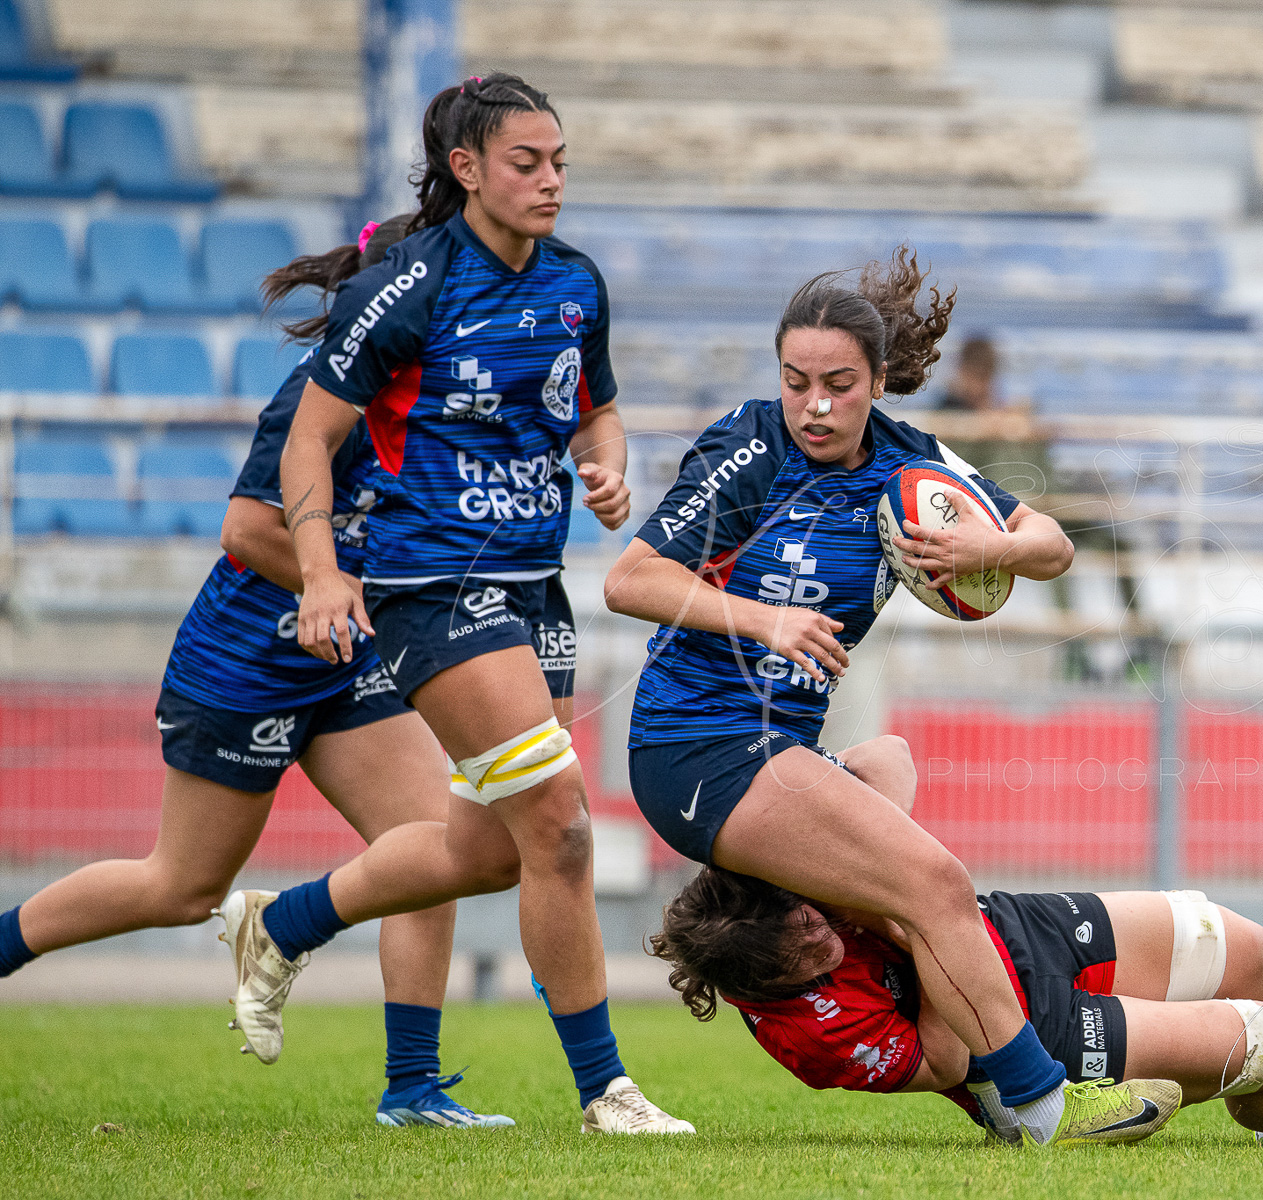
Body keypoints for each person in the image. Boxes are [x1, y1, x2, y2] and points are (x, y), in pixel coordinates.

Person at [603, 248, 1182, 1148]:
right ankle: (1041, 1102)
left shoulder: (913, 462)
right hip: (696, 746)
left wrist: (991, 553)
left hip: (773, 750)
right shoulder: (748, 446)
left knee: (889, 770)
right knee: (935, 883)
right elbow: (631, 580)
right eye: (796, 382)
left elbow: (1053, 544)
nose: (815, 406)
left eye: (838, 383)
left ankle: (968, 1061)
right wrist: (766, 622)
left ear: (878, 381)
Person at [214, 73, 691, 1135]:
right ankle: (606, 1091)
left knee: (489, 849)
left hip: (536, 587)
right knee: (562, 829)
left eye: (561, 160)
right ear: (467, 170)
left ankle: (279, 924)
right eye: (528, 163)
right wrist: (327, 569)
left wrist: (610, 470)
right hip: (433, 589)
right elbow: (307, 441)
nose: (552, 180)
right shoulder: (411, 287)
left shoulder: (577, 284)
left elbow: (598, 413)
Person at [0, 216, 515, 1127]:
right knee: (182, 888)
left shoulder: (442, 401)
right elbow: (245, 529)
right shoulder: (323, 396)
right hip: (246, 661)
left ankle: (413, 1090)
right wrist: (341, 586)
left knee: (430, 852)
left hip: (346, 656)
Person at [650, 864, 1263, 1146]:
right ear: (764, 985)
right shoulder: (810, 1038)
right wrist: (916, 924)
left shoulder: (782, 879)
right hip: (1015, 1038)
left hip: (1017, 930)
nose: (826, 938)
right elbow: (949, 1056)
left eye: (814, 921)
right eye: (810, 956)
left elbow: (890, 762)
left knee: (1248, 948)